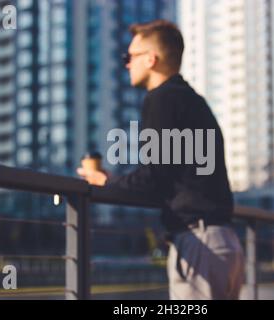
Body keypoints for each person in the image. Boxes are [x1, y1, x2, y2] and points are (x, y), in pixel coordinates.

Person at [77, 20, 244, 300]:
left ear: (151, 59)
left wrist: (107, 182)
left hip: (200, 244)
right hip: (224, 243)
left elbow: (155, 176)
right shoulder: (194, 101)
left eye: (129, 57)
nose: (127, 64)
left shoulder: (162, 99)